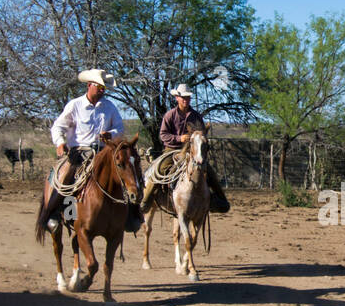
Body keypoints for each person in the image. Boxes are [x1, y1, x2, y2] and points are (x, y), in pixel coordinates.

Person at [43, 69, 139, 233]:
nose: (102, 90)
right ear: (89, 85)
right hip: (79, 151)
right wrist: (60, 143)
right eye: (99, 87)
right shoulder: (75, 105)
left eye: (104, 88)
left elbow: (119, 128)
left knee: (127, 173)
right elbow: (58, 126)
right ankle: (56, 214)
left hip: (105, 151)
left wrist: (111, 134)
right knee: (69, 178)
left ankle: (130, 215)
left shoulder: (109, 107)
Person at [156, 84, 229, 213]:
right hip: (172, 149)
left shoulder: (196, 116)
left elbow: (201, 135)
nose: (185, 100)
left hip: (192, 151)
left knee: (210, 172)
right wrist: (179, 138)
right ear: (177, 98)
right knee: (159, 169)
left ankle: (220, 201)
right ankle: (148, 198)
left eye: (187, 97)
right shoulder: (170, 115)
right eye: (183, 97)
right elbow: (163, 135)